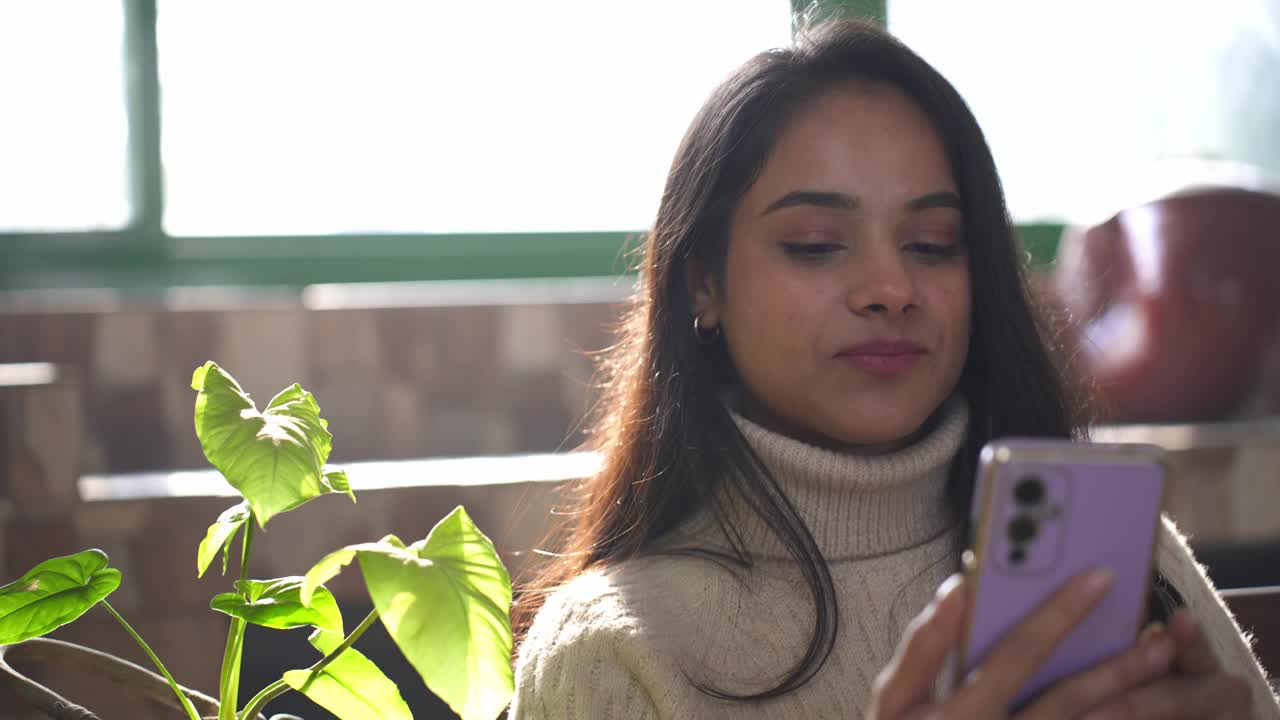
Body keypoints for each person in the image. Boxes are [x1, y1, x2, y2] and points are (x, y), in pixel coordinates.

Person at [509, 18, 1279, 719]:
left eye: (934, 245)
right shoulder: (611, 651)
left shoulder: (1114, 559)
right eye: (815, 244)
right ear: (703, 283)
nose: (891, 290)